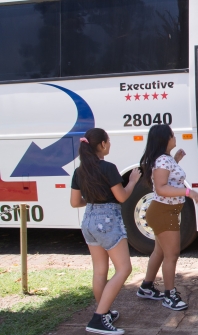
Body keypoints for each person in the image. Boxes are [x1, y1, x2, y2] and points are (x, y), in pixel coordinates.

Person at [70, 128, 141, 335]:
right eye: (108, 141)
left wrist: (93, 202)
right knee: (124, 269)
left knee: (100, 270)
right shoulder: (109, 168)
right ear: (102, 144)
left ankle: (104, 311)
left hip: (89, 220)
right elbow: (121, 197)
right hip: (108, 220)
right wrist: (133, 181)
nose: (109, 144)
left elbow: (75, 202)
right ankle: (99, 318)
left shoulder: (79, 171)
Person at [137, 124, 198, 311]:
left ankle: (147, 287)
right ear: (165, 139)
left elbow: (168, 178)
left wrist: (176, 159)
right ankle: (170, 295)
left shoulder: (165, 159)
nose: (175, 138)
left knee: (160, 252)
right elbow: (161, 188)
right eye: (172, 135)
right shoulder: (162, 161)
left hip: (166, 212)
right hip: (163, 213)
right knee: (172, 254)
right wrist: (188, 192)